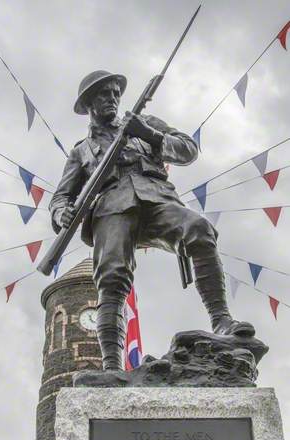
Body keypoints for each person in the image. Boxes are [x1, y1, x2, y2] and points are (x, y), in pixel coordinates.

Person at [49, 70, 255, 371]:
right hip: (112, 209)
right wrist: (60, 213)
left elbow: (188, 150)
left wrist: (148, 134)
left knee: (198, 229)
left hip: (157, 199)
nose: (112, 98)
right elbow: (61, 197)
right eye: (104, 94)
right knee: (112, 277)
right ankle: (111, 368)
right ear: (90, 103)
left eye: (116, 93)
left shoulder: (144, 124)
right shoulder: (81, 151)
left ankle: (221, 320)